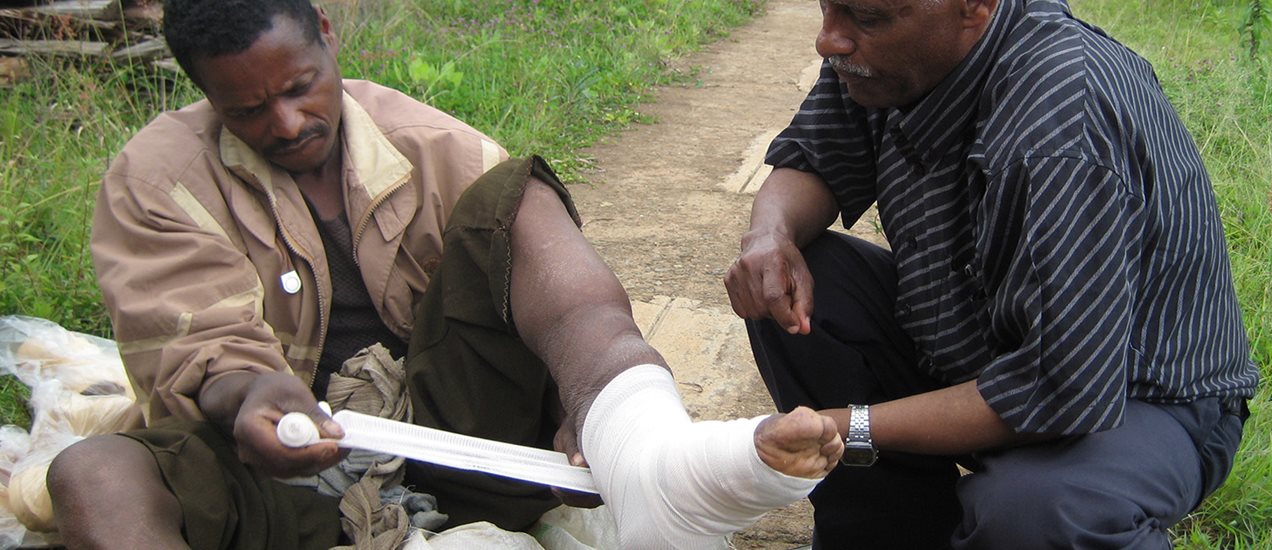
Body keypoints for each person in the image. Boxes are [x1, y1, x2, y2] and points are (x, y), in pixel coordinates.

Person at [44, 1, 844, 548]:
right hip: (283, 472)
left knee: (514, 200)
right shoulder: (157, 182)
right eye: (246, 111)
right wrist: (250, 396)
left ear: (325, 32)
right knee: (94, 472)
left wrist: (577, 406)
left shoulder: (434, 146)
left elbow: (543, 300)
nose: (285, 124)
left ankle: (642, 436)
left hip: (466, 443)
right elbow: (198, 353)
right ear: (202, 92)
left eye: (298, 88)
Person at [724, 0, 1260, 547]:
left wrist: (841, 427)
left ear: (974, 8)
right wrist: (771, 236)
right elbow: (816, 156)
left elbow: (1059, 386)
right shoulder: (890, 59)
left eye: (867, 18)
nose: (829, 40)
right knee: (791, 278)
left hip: (1134, 397)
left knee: (1035, 512)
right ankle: (890, 532)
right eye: (828, 9)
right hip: (978, 348)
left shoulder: (1061, 122)